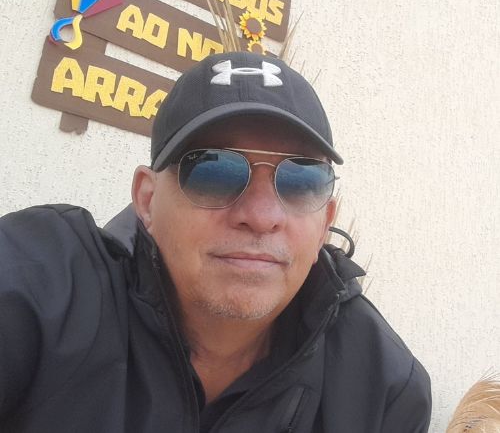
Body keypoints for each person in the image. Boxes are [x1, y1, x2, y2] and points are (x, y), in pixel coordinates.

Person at [0, 51, 431, 432]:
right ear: (147, 200)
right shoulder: (42, 290)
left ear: (325, 224)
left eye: (300, 180)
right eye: (214, 171)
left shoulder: (383, 390)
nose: (261, 217)